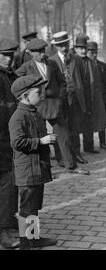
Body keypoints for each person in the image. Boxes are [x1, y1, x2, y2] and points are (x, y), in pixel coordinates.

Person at [15, 38, 88, 176]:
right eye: (38, 52)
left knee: (64, 136)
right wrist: (27, 98)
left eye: (43, 51)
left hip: (54, 105)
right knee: (41, 139)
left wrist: (60, 97)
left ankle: (71, 166)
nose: (42, 54)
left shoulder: (52, 63)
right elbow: (15, 81)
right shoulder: (26, 67)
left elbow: (62, 82)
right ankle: (43, 170)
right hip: (36, 107)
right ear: (31, 53)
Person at [9, 75, 58, 250]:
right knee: (26, 208)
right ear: (25, 96)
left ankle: (33, 239)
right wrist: (41, 141)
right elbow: (17, 142)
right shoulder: (18, 116)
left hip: (37, 169)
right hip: (27, 171)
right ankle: (25, 244)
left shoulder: (34, 113)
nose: (42, 95)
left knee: (34, 206)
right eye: (38, 92)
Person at [49, 32, 89, 166]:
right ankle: (61, 157)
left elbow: (82, 79)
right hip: (60, 100)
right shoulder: (52, 61)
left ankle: (76, 154)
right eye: (60, 46)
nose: (64, 48)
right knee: (60, 129)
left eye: (65, 45)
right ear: (56, 47)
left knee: (74, 127)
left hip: (75, 98)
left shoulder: (76, 59)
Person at [0, 38, 20, 249]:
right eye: (4, 55)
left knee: (12, 182)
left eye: (11, 55)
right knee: (5, 183)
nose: (8, 58)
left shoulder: (11, 76)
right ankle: (3, 230)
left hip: (11, 138)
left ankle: (8, 219)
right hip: (1, 138)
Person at [73, 35, 100, 154]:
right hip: (77, 97)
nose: (83, 51)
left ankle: (89, 146)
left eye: (85, 48)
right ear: (75, 49)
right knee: (76, 124)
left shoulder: (90, 61)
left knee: (88, 122)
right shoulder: (72, 61)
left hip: (89, 95)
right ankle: (76, 151)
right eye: (80, 48)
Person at [86, 41, 106, 150]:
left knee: (101, 121)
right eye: (91, 52)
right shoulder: (84, 65)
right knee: (89, 122)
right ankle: (89, 145)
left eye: (95, 52)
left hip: (101, 97)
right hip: (89, 98)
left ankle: (102, 142)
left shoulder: (102, 66)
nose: (94, 55)